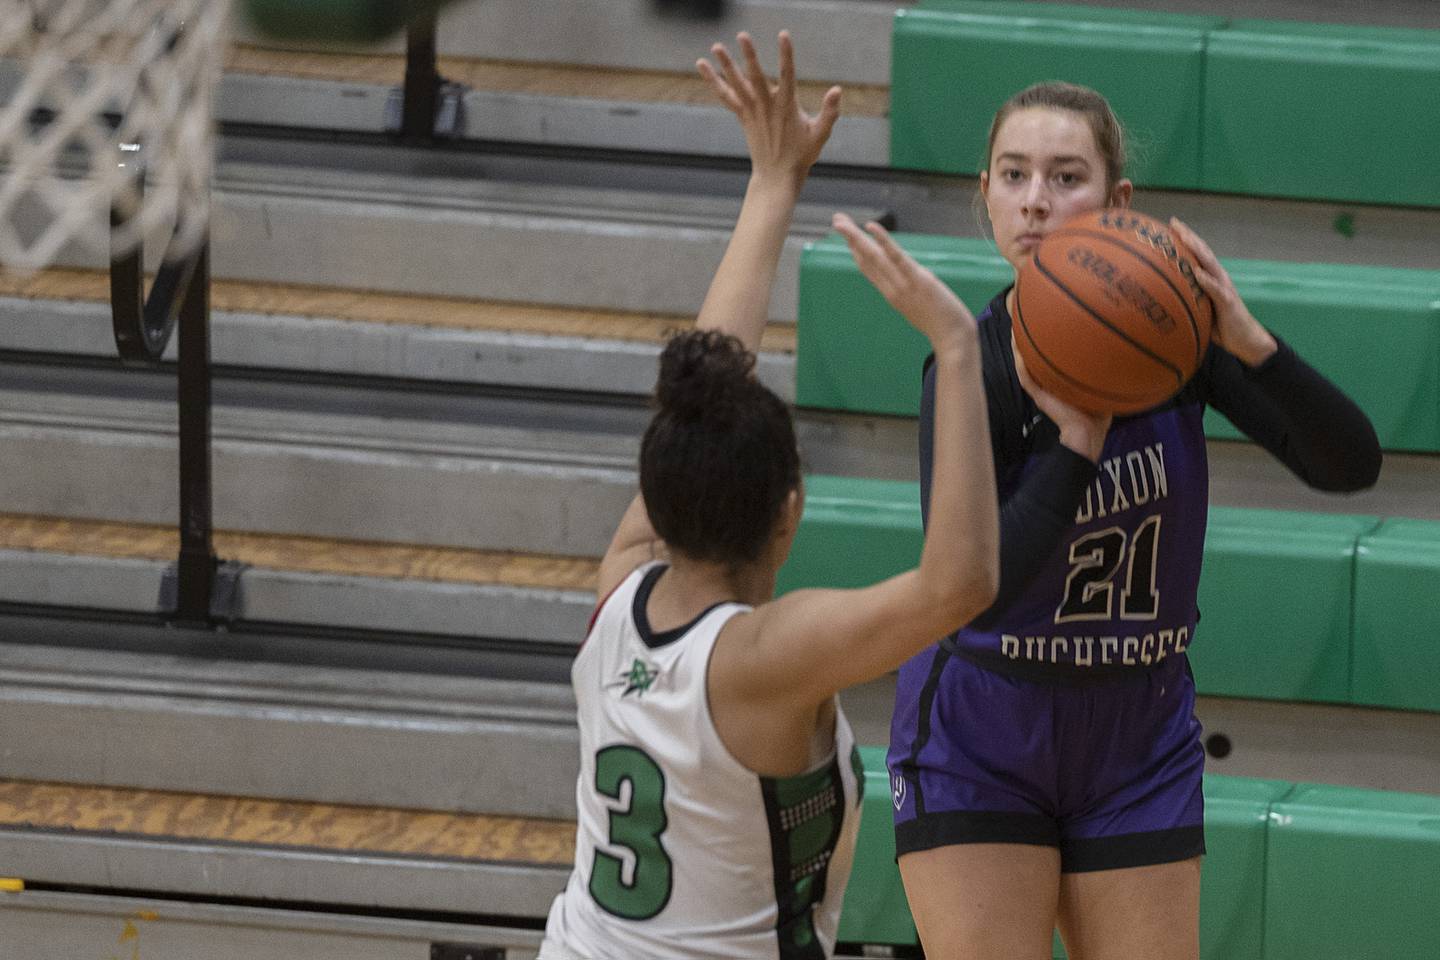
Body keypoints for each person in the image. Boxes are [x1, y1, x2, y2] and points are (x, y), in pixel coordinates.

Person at [887, 81, 1383, 960]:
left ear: (1118, 203)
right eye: (1014, 174)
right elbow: (972, 593)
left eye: (1065, 175)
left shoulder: (1175, 345)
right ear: (987, 194)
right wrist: (1073, 452)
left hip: (1136, 725)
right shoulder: (971, 366)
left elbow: (1350, 464)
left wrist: (1251, 343)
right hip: (985, 725)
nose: (1036, 197)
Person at [539, 33, 1001, 960]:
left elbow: (704, 390)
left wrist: (771, 184)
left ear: (660, 502)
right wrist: (958, 348)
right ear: (791, 513)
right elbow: (959, 586)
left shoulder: (620, 588)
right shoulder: (761, 658)